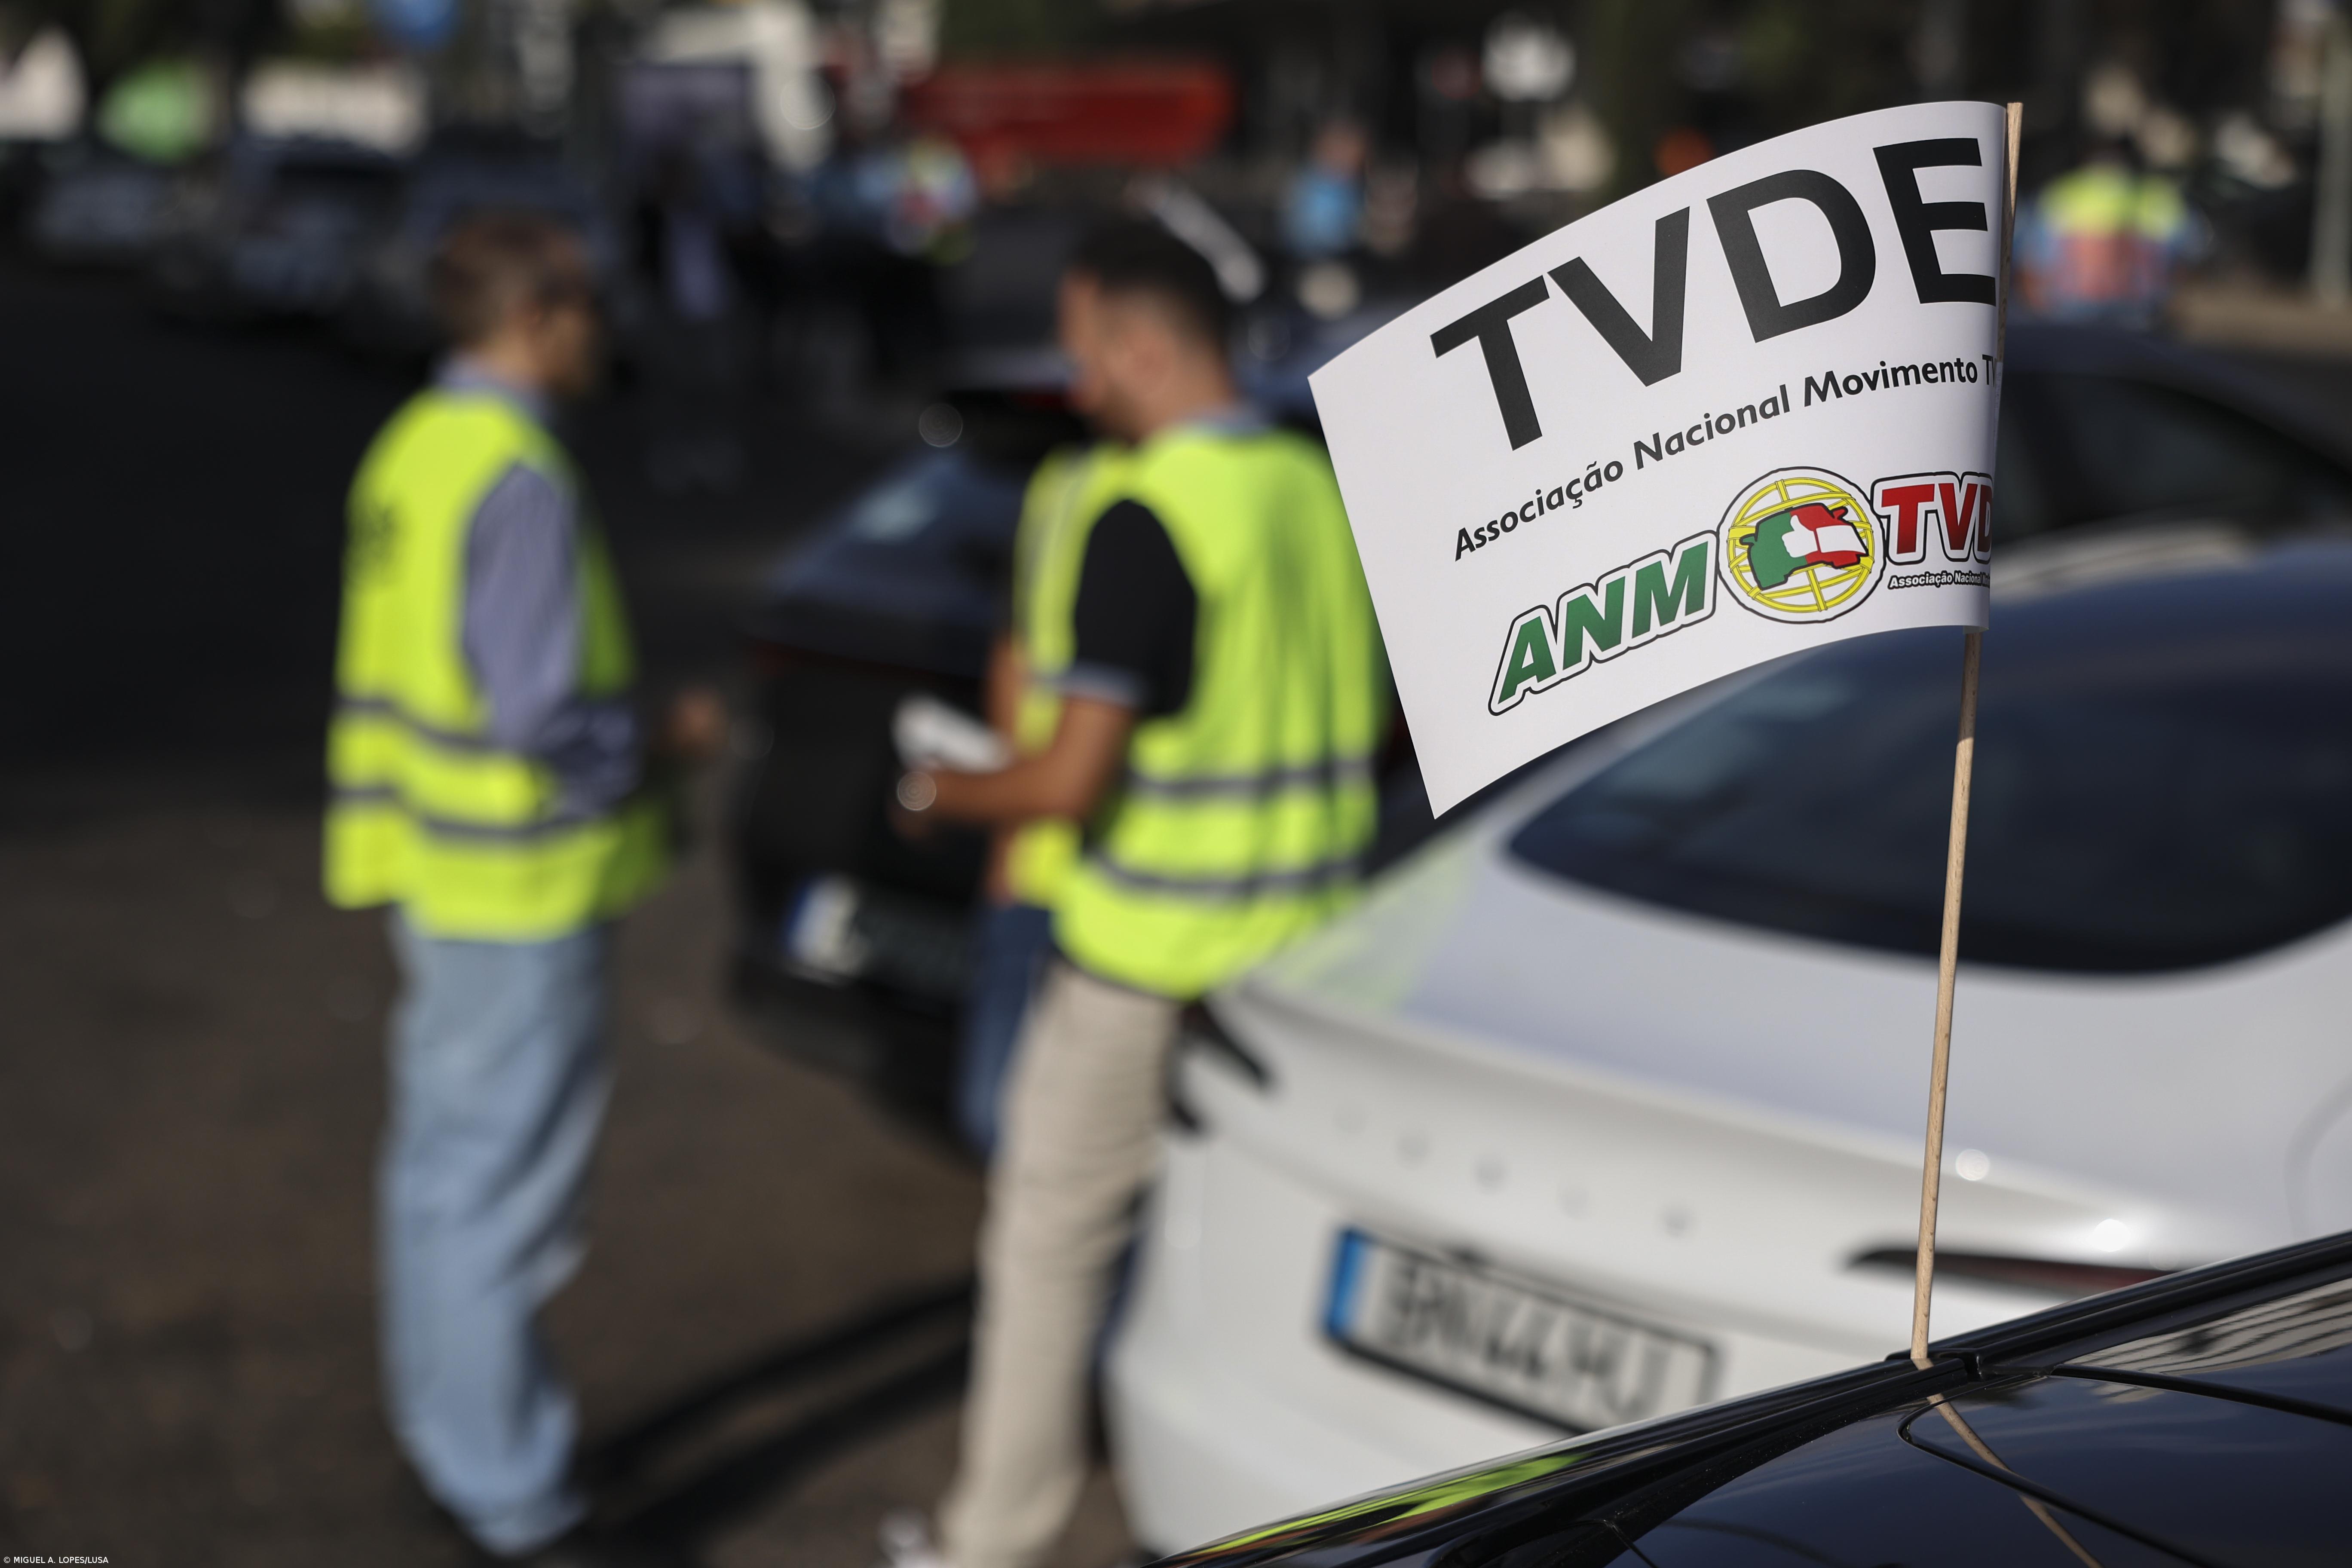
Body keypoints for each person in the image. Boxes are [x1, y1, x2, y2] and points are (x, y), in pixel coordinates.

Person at [881, 220, 1392, 1568]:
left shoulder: (1142, 511)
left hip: (1145, 956)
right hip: (1304, 954)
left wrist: (944, 798)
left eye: (1086, 341)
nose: (1076, 370)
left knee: (1048, 1255)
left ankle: (992, 1544)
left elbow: (1064, 780)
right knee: (1234, 1259)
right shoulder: (1312, 491)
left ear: (1145, 344)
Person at [323, 211, 720, 1565]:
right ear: (538, 317)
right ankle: (517, 1500)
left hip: (439, 873)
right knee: (499, 1200)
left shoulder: (418, 447)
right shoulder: (518, 474)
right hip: (520, 890)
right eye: (587, 308)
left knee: (440, 1178)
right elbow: (541, 717)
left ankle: (454, 1443)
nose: (601, 331)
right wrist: (663, 745)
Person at [953, 438, 1130, 1158]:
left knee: (1072, 1151)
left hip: (1146, 887)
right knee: (1001, 1119)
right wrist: (1011, 821)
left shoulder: (1191, 488)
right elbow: (1020, 647)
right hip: (1045, 862)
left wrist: (952, 796)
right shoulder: (1063, 479)